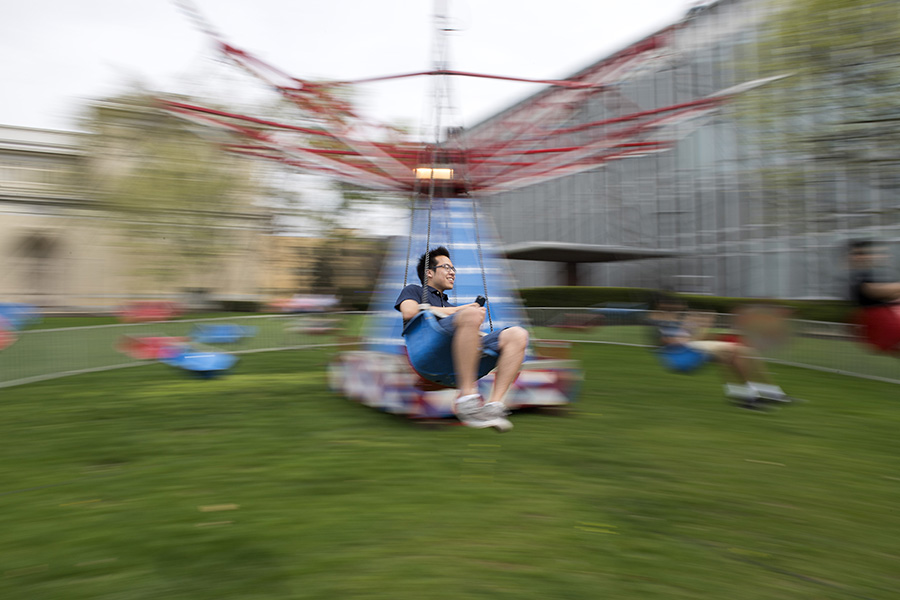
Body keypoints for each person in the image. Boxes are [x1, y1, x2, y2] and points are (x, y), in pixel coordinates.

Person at [395, 246, 529, 431]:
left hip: (454, 359)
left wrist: (469, 320)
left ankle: (494, 406)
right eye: (447, 267)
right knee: (471, 314)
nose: (452, 273)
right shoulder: (415, 291)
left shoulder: (449, 304)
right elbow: (409, 311)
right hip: (427, 352)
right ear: (429, 272)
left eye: (453, 269)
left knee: (517, 334)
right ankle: (467, 399)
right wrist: (463, 310)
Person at [650, 293, 789, 408]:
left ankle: (753, 396)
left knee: (739, 357)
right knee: (740, 352)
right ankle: (762, 395)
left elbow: (695, 338)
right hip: (684, 355)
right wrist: (700, 328)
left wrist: (704, 329)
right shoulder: (660, 322)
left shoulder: (679, 321)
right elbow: (674, 343)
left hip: (693, 349)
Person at [848, 239, 900, 353]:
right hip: (878, 317)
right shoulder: (860, 275)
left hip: (885, 316)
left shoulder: (880, 272)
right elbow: (872, 290)